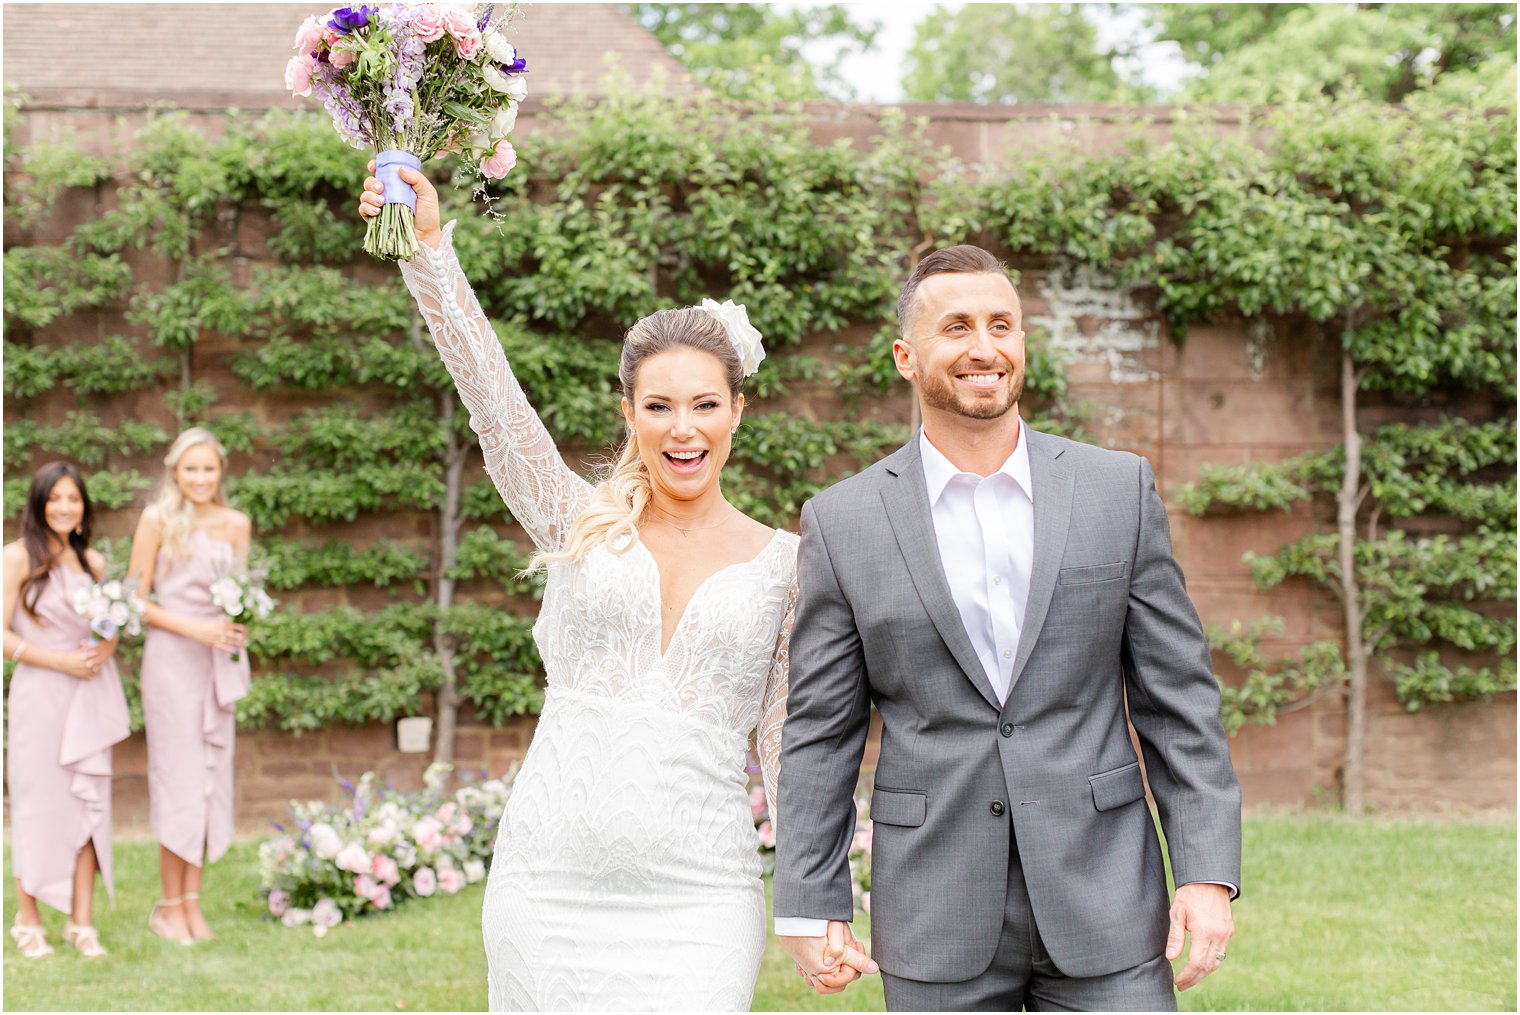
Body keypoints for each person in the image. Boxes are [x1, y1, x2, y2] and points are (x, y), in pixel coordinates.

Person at [357, 164, 873, 1011]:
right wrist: (428, 255)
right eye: (660, 406)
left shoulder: (790, 564)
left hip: (702, 899)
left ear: (737, 411)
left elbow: (789, 746)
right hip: (546, 887)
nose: (683, 429)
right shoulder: (574, 518)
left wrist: (815, 906)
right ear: (628, 411)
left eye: (705, 405)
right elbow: (493, 401)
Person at [774, 245, 1242, 1010]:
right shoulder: (843, 521)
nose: (984, 348)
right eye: (956, 327)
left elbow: (1178, 698)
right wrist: (807, 894)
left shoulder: (1116, 490)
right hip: (935, 908)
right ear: (906, 355)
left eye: (1002, 324)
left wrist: (1205, 870)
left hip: (1109, 901)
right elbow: (822, 731)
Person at [127, 428, 252, 945]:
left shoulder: (236, 524)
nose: (200, 478)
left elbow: (240, 594)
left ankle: (193, 905)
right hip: (172, 662)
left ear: (221, 472)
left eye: (209, 469)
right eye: (190, 469)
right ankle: (168, 906)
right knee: (177, 780)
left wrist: (237, 622)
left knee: (208, 780)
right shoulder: (156, 520)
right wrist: (195, 628)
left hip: (217, 663)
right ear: (174, 471)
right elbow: (135, 599)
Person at [3, 463, 131, 959]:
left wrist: (106, 646)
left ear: (83, 509)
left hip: (88, 698)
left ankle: (82, 922)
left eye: (72, 499)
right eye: (53, 498)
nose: (63, 507)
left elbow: (108, 625)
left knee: (88, 806)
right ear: (38, 505)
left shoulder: (94, 564)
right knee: (37, 807)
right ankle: (28, 918)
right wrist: (60, 661)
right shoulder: (15, 558)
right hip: (40, 694)